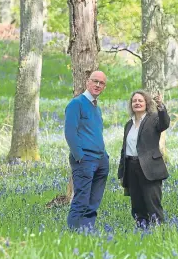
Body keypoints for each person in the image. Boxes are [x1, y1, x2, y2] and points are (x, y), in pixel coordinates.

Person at [64, 71, 109, 230]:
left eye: (101, 83)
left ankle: (87, 232)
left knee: (94, 201)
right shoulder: (76, 104)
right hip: (85, 160)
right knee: (81, 200)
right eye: (95, 81)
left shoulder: (96, 108)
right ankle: (74, 234)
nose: (98, 85)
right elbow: (70, 132)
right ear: (87, 82)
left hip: (100, 160)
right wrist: (79, 156)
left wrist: (105, 157)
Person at [118, 90, 170, 227]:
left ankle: (159, 232)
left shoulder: (153, 119)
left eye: (140, 100)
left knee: (153, 204)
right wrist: (121, 172)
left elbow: (164, 123)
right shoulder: (128, 124)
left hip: (149, 168)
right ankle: (142, 231)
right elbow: (124, 149)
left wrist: (161, 106)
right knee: (137, 205)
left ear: (146, 103)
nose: (137, 103)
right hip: (131, 167)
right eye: (134, 101)